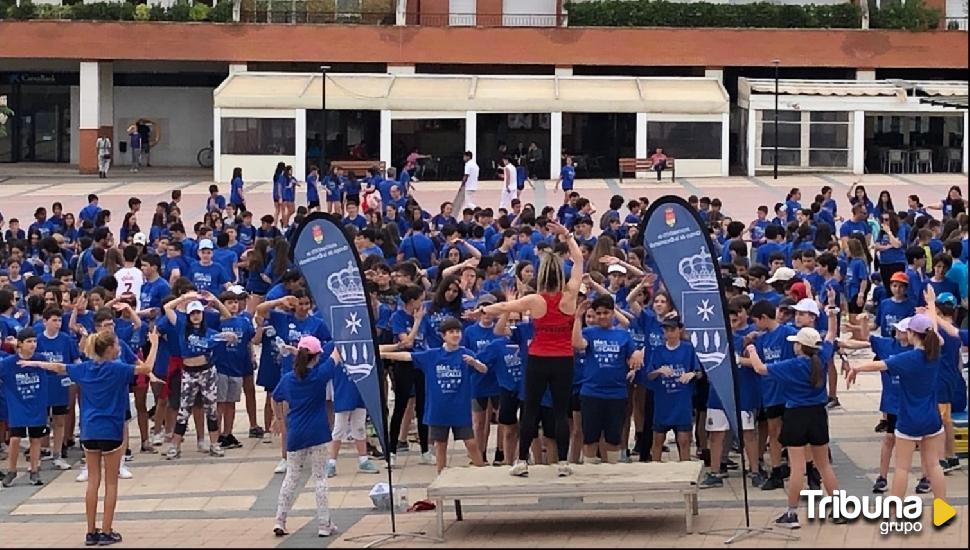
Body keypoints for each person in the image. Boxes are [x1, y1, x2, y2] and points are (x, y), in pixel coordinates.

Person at [25, 328, 159, 546]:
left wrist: (35, 363)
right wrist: (154, 344)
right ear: (109, 349)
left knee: (92, 481)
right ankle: (106, 530)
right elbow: (147, 368)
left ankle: (90, 531)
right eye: (116, 344)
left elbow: (59, 367)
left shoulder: (84, 369)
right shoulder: (117, 370)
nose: (119, 348)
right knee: (111, 483)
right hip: (111, 430)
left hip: (89, 430)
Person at [481, 220, 583, 477]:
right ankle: (562, 463)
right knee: (561, 412)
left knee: (531, 410)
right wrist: (567, 236)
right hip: (563, 360)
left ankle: (522, 461)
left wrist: (480, 311)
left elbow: (503, 308)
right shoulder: (570, 297)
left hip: (538, 358)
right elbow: (579, 261)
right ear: (560, 274)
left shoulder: (534, 300)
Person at [746, 323, 843, 530]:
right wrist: (833, 313)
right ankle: (838, 508)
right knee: (824, 464)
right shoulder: (822, 357)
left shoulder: (792, 365)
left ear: (800, 346)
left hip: (795, 415)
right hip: (818, 414)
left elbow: (760, 368)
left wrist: (752, 350)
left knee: (797, 467)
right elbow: (831, 335)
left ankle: (792, 513)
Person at [847, 311, 946, 500]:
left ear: (912, 333)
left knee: (902, 468)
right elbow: (935, 334)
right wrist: (931, 306)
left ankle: (895, 516)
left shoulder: (909, 359)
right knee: (934, 465)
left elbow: (879, 365)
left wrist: (856, 368)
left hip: (909, 420)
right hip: (932, 418)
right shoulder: (935, 353)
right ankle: (943, 511)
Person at [380, 317, 489, 474]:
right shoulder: (432, 355)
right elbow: (407, 356)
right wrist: (383, 354)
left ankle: (482, 473)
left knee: (471, 443)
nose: (456, 335)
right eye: (451, 332)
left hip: (460, 409)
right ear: (443, 335)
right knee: (440, 445)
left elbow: (484, 369)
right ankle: (441, 477)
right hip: (439, 410)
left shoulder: (466, 354)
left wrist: (474, 363)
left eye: (458, 331)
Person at [271, 335, 342, 538]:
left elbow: (275, 397)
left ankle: (280, 520)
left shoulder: (288, 379)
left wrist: (278, 419)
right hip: (318, 432)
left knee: (291, 477)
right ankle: (323, 523)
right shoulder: (320, 375)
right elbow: (337, 353)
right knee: (320, 478)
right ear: (317, 355)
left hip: (295, 433)